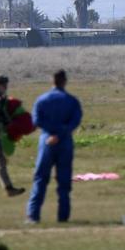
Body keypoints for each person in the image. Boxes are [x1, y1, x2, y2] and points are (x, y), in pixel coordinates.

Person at [27, 69, 83, 223]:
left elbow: (36, 120)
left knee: (40, 178)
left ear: (52, 81)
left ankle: (33, 215)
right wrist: (61, 133)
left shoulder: (42, 99)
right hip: (65, 141)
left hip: (46, 140)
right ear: (65, 81)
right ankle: (63, 217)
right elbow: (76, 121)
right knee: (64, 180)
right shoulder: (72, 101)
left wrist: (51, 133)